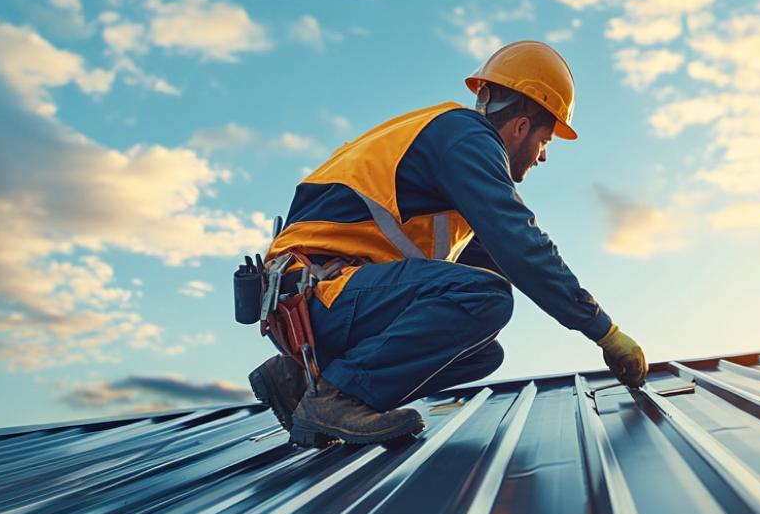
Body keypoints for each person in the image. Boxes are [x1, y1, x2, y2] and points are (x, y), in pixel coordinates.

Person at [248, 40, 647, 446]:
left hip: (322, 305)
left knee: (479, 350)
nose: (543, 156)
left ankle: (299, 379)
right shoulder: (465, 137)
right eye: (546, 141)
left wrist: (569, 306)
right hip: (316, 298)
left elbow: (509, 262)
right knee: (485, 297)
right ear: (521, 126)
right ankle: (338, 397)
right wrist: (605, 332)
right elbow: (522, 246)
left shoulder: (448, 159)